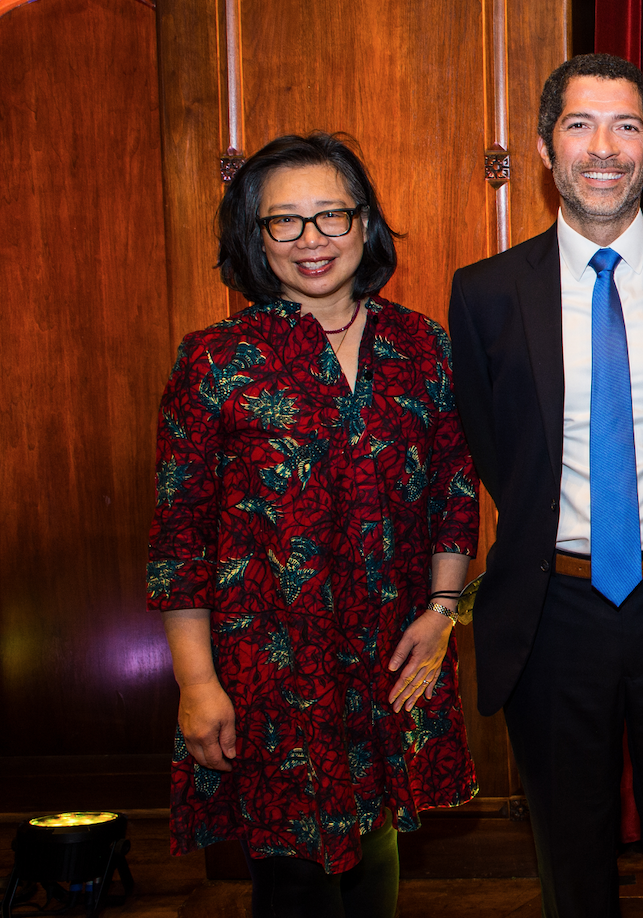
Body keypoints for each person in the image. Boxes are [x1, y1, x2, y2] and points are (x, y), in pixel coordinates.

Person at [447, 54, 643, 918]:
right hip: (552, 613)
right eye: (580, 125)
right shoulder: (483, 295)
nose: (603, 147)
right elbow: (491, 445)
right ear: (547, 149)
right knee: (571, 866)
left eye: (626, 126)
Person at [149, 132, 479, 918]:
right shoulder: (214, 362)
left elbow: (455, 494)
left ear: (365, 224)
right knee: (293, 875)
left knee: (377, 850)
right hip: (269, 673)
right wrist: (197, 684)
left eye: (331, 215)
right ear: (255, 239)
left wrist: (441, 618)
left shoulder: (422, 346)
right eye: (284, 222)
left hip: (391, 657)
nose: (311, 241)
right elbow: (179, 539)